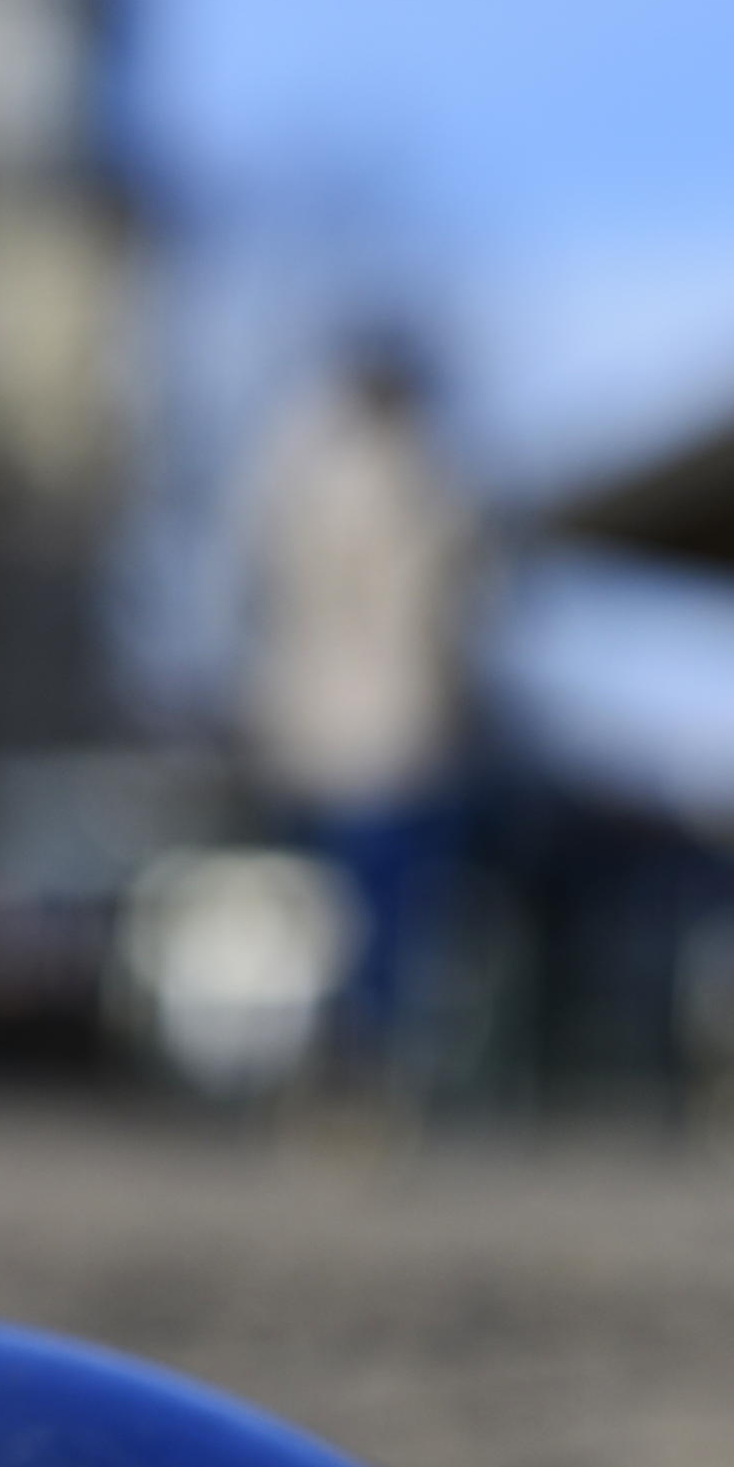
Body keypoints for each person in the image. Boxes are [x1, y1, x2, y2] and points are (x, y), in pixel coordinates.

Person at [232, 334, 482, 1078]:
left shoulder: (287, 470)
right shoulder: (429, 482)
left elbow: (258, 591)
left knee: (309, 908)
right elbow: (448, 614)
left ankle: (294, 1053)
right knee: (382, 913)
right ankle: (359, 1058)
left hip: (301, 729)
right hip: (390, 733)